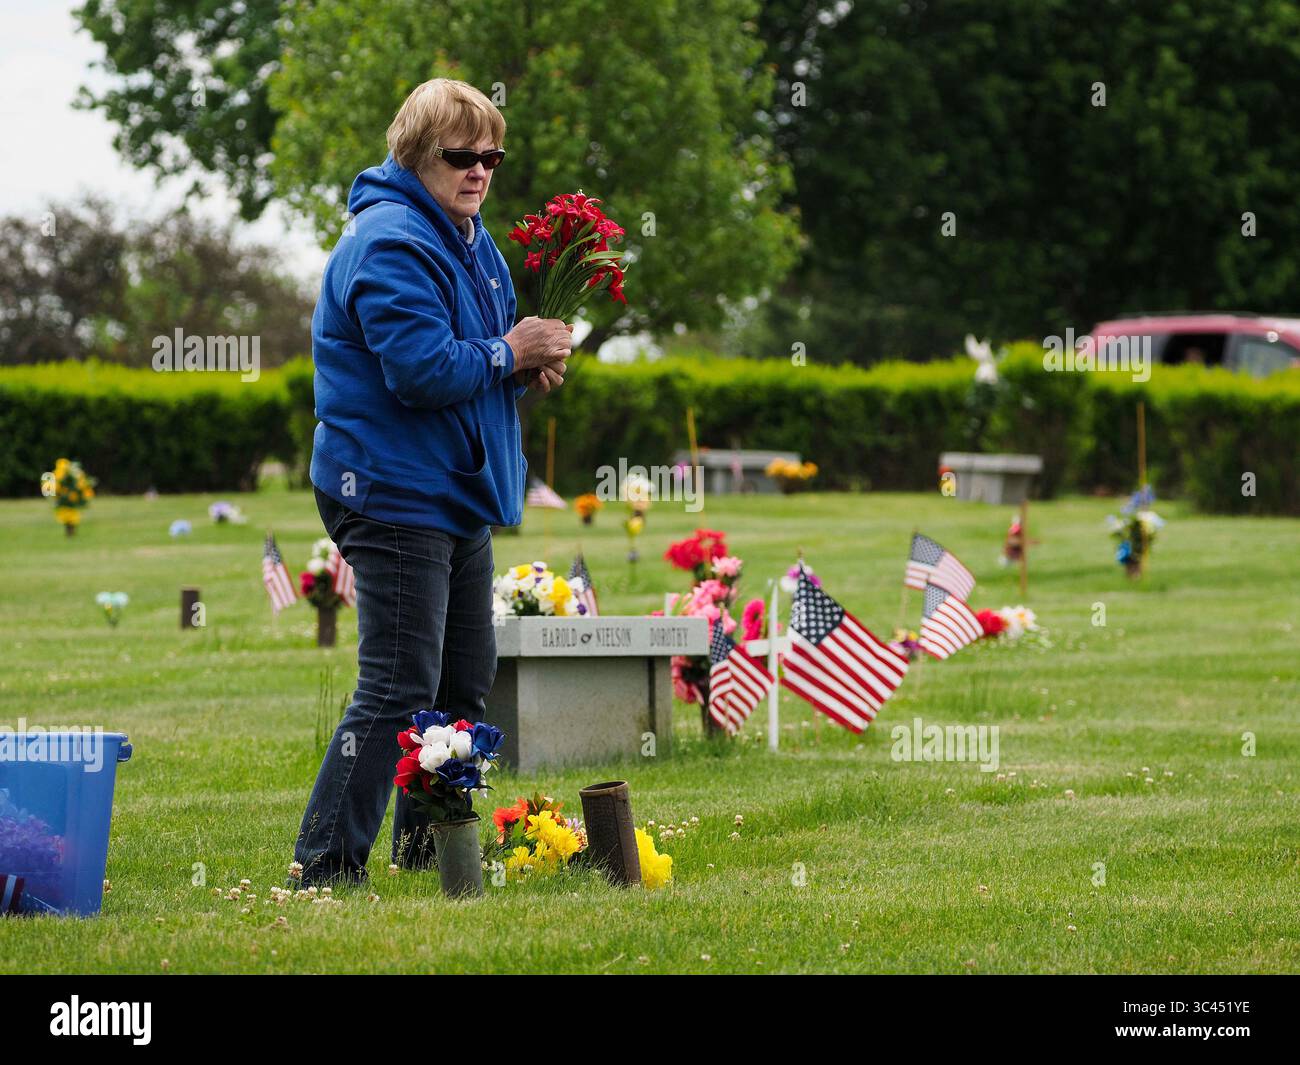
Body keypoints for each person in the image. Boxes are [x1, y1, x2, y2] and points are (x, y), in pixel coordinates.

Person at [293, 78, 571, 887]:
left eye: (492, 155)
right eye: (461, 155)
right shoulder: (389, 241)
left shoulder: (469, 237)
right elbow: (417, 370)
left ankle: (427, 855)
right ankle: (324, 864)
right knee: (397, 684)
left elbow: (475, 358)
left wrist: (521, 369)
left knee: (461, 687)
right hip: (388, 491)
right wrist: (507, 355)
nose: (480, 169)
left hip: (453, 491)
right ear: (416, 155)